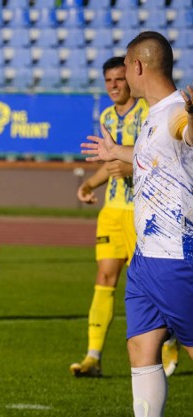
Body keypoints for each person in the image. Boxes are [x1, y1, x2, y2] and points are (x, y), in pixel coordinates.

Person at [82, 31, 193, 417]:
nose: (122, 76)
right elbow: (153, 158)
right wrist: (116, 152)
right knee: (140, 348)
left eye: (126, 67)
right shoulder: (151, 117)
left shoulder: (178, 112)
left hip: (175, 255)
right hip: (146, 258)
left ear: (141, 66)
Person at [70, 56, 162, 378]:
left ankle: (170, 343)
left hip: (143, 213)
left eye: (119, 80)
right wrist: (88, 183)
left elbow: (154, 155)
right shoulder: (107, 115)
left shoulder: (148, 111)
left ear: (130, 79)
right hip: (111, 212)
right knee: (105, 278)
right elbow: (111, 163)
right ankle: (93, 356)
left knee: (153, 287)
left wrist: (129, 162)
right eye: (108, 80)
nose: (113, 86)